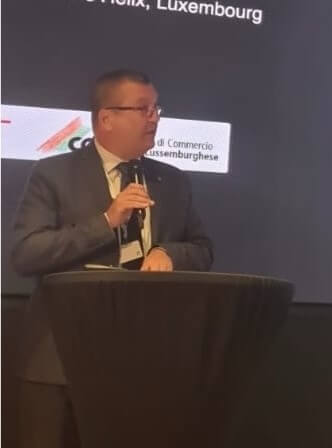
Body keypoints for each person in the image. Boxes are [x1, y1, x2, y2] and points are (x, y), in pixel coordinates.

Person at [11, 69, 213, 447]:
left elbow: (203, 248)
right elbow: (26, 254)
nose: (154, 118)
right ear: (106, 118)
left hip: (142, 361)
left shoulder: (173, 180)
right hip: (60, 360)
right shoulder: (53, 174)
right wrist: (106, 222)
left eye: (156, 109)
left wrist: (169, 253)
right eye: (143, 108)